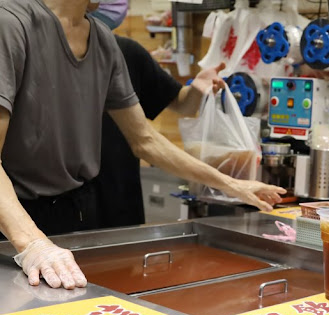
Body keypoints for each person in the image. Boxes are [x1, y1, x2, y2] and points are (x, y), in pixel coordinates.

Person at [0, 0, 285, 291]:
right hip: (15, 224)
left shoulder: (101, 39)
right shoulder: (10, 24)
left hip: (77, 215)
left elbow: (146, 141)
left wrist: (231, 184)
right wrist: (33, 244)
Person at [88, 4, 229, 228]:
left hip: (121, 204)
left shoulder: (127, 53)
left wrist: (197, 88)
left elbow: (180, 104)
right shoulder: (46, 57)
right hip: (64, 207)